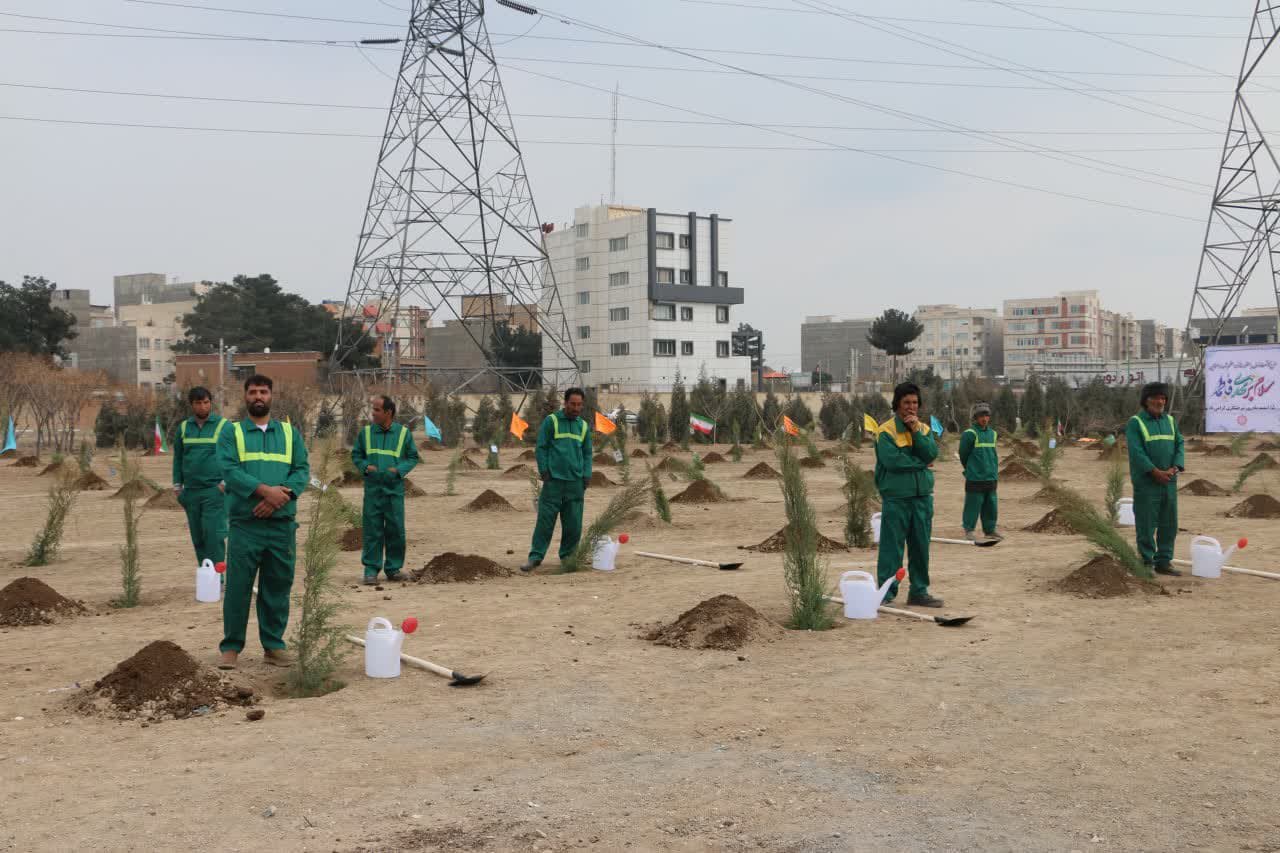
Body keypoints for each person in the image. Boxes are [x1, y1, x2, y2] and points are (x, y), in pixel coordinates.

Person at [215, 374, 310, 669]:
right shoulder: (232, 433)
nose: (259, 396)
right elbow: (229, 470)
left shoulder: (290, 433)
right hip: (246, 525)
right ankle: (231, 647)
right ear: (245, 396)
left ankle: (273, 646)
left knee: (277, 587)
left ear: (271, 396)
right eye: (253, 391)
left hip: (281, 526)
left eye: (264, 392)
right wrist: (266, 492)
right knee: (238, 588)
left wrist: (281, 496)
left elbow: (302, 470)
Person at [874, 382, 943, 607]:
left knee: (920, 547)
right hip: (897, 497)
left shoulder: (923, 429)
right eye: (906, 403)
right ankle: (886, 593)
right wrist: (921, 464)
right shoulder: (886, 431)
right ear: (897, 405)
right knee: (892, 548)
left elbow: (931, 453)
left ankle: (919, 592)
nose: (911, 407)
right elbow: (893, 462)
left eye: (914, 402)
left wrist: (915, 432)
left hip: (922, 497)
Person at [521, 388, 592, 572]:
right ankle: (535, 557)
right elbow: (541, 448)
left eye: (579, 405)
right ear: (565, 403)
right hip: (554, 481)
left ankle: (568, 558)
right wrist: (544, 471)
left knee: (573, 524)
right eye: (573, 404)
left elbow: (587, 453)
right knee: (545, 522)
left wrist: (586, 475)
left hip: (575, 483)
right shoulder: (551, 421)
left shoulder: (583, 426)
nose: (576, 408)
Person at [351, 395, 419, 585]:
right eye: (372, 409)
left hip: (393, 490)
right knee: (372, 530)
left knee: (395, 530)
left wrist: (398, 471)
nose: (372, 413)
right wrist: (365, 467)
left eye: (376, 410)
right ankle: (371, 571)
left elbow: (413, 457)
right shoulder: (365, 433)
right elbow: (356, 455)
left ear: (388, 412)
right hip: (373, 490)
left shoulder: (403, 434)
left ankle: (393, 569)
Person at [1126, 382, 1185, 576]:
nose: (1159, 402)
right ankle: (1146, 562)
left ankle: (1164, 562)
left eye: (1162, 398)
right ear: (1146, 400)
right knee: (1146, 523)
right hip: (1147, 484)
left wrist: (1175, 467)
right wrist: (1155, 472)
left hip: (1169, 481)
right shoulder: (1136, 423)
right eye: (1155, 398)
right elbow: (1137, 452)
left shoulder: (1170, 421)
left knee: (1169, 523)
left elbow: (1179, 444)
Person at [172, 386, 228, 567]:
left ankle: (218, 576)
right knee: (198, 538)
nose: (203, 407)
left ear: (210, 403)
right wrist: (177, 487)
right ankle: (205, 576)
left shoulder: (224, 426)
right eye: (198, 403)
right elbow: (178, 458)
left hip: (214, 492)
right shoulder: (183, 428)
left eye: (206, 402)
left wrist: (224, 483)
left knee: (213, 535)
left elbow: (234, 456)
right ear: (191, 405)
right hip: (191, 492)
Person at [958, 401, 1002, 543]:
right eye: (981, 416)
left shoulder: (993, 434)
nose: (984, 418)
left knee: (991, 505)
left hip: (991, 476)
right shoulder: (969, 434)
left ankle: (990, 530)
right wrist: (971, 469)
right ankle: (969, 530)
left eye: (986, 415)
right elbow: (963, 455)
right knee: (973, 504)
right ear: (975, 418)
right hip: (975, 477)